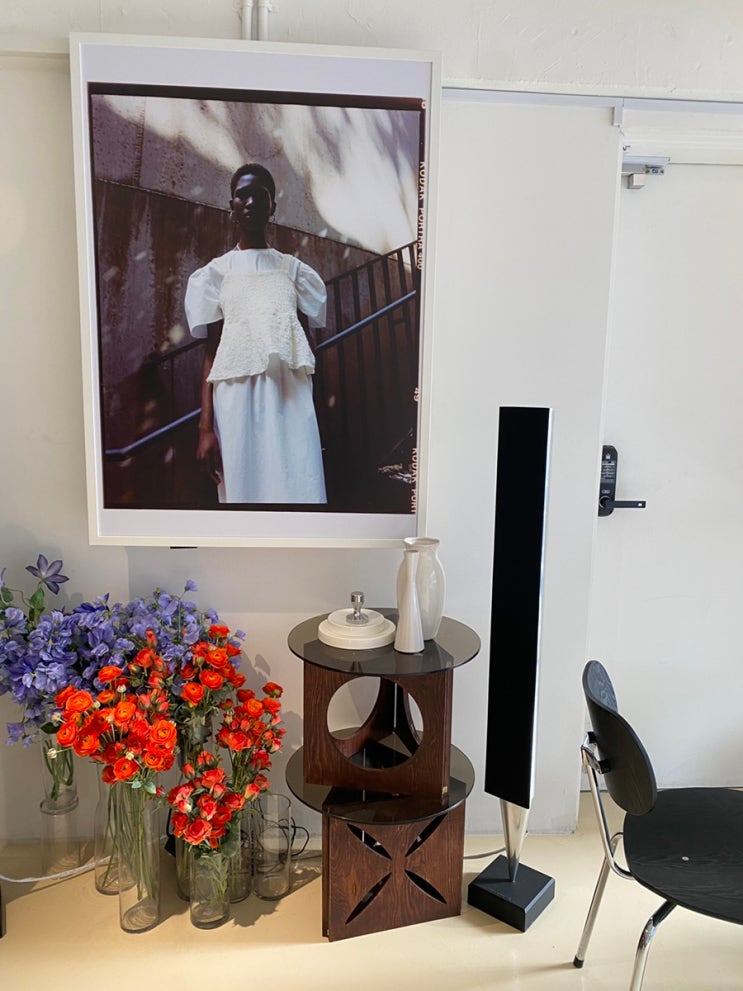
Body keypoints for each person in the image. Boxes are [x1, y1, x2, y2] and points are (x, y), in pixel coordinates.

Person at [184, 163, 328, 504]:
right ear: (231, 204)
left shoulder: (294, 271)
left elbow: (306, 346)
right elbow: (211, 352)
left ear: (272, 206)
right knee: (244, 492)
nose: (250, 203)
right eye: (242, 195)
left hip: (289, 399)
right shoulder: (216, 274)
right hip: (236, 401)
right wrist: (205, 428)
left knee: (300, 488)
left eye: (260, 196)